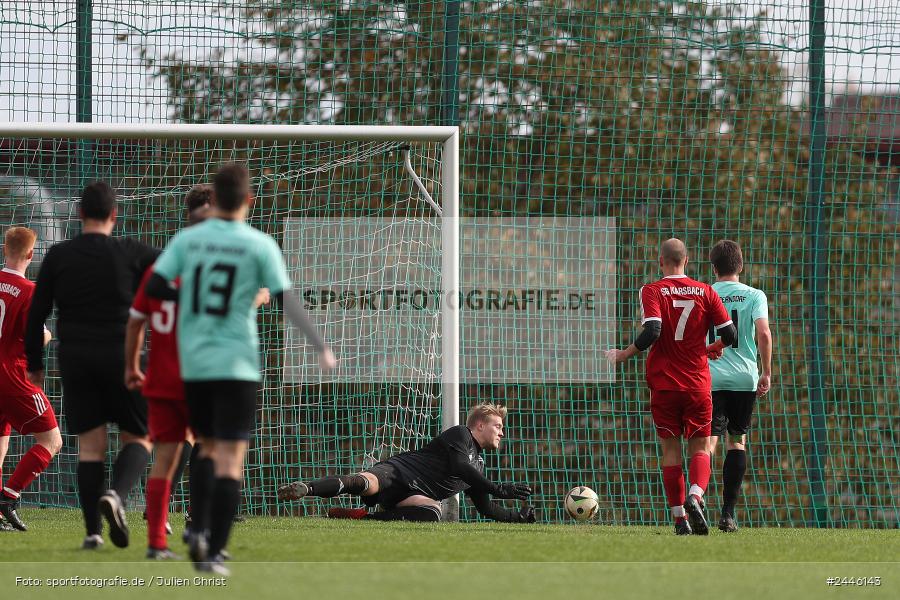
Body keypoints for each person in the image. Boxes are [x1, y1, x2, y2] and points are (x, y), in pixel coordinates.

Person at [144, 162, 335, 575]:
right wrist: (320, 344)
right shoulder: (260, 244)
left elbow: (156, 287)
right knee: (232, 460)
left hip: (194, 363)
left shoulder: (189, 240)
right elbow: (285, 300)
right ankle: (212, 549)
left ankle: (195, 532)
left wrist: (190, 301)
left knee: (205, 448)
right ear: (249, 200)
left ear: (215, 198)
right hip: (238, 364)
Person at [25, 182, 160, 549]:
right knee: (139, 436)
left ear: (80, 214)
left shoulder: (58, 256)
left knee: (90, 445)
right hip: (124, 355)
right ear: (115, 215)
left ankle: (92, 534)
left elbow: (37, 313)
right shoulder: (132, 251)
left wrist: (34, 364)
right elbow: (172, 271)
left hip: (77, 359)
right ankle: (116, 495)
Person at [606, 238, 736, 535]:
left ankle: (680, 519)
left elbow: (653, 329)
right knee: (701, 446)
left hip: (664, 384)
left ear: (660, 261)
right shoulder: (706, 291)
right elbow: (730, 333)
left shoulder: (652, 290)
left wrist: (624, 354)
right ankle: (696, 495)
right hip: (697, 384)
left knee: (670, 449)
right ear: (687, 261)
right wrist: (713, 346)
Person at [277, 403, 535, 524]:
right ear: (480, 425)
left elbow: (486, 508)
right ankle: (307, 489)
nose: (502, 432)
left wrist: (517, 517)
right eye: (497, 426)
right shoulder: (461, 434)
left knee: (432, 513)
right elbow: (458, 466)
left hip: (413, 497)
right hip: (399, 470)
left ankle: (361, 517)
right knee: (364, 482)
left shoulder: (478, 466)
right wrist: (500, 487)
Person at [706, 240, 772, 533]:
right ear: (741, 266)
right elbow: (764, 334)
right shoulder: (754, 295)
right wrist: (766, 372)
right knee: (736, 441)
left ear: (713, 267)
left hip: (709, 377)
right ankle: (728, 513)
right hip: (745, 378)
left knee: (707, 442)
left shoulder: (705, 293)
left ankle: (696, 497)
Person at [0, 227, 63, 531]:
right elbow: (32, 340)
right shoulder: (29, 291)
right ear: (30, 254)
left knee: (1, 439)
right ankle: (8, 497)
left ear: (4, 250)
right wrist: (48, 335)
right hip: (12, 376)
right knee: (52, 440)